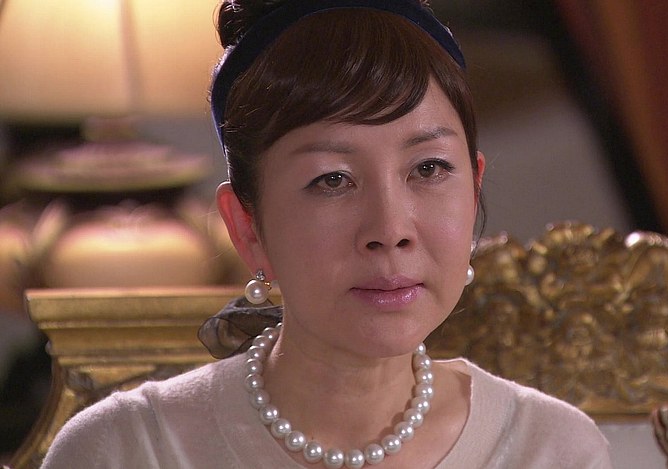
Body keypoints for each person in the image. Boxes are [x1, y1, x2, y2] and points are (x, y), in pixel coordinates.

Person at [42, 1, 612, 467]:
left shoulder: (550, 449)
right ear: (246, 226)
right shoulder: (124, 451)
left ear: (475, 185)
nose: (390, 230)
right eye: (332, 179)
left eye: (429, 168)